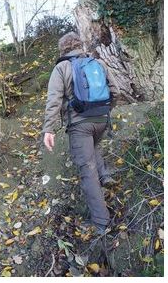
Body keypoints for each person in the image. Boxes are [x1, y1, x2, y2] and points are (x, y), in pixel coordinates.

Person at [42, 32, 117, 235]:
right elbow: (115, 91)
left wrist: (49, 129)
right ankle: (106, 175)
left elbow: (54, 101)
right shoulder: (97, 63)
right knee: (94, 145)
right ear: (79, 45)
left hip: (80, 124)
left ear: (63, 49)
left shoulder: (61, 68)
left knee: (87, 171)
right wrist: (105, 110)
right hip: (102, 119)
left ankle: (102, 223)